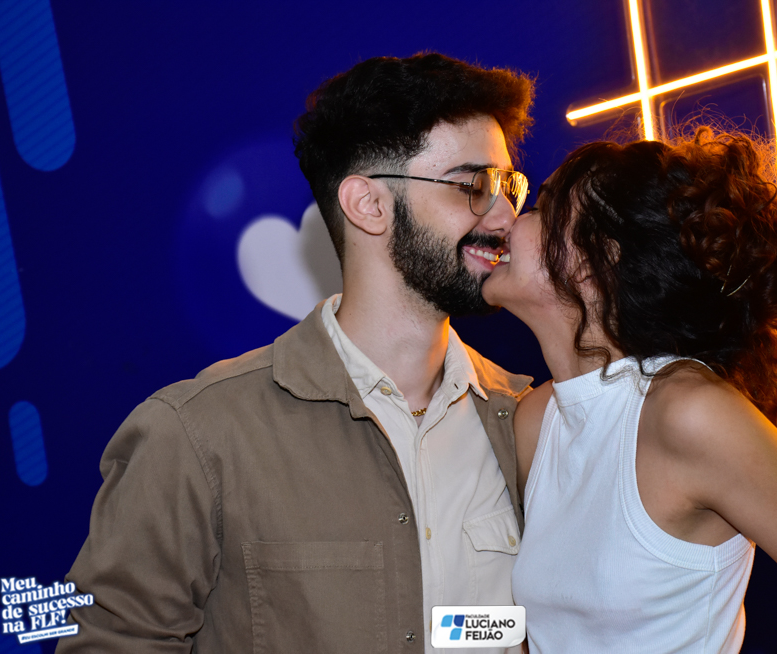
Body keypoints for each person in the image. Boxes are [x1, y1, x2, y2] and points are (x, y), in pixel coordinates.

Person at [58, 53, 534, 653]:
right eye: (474, 186)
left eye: (509, 186)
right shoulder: (200, 434)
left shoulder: (527, 421)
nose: (506, 216)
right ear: (368, 204)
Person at [482, 129, 777, 653]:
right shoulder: (536, 421)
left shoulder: (690, 412)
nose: (507, 221)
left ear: (599, 255)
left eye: (541, 208)